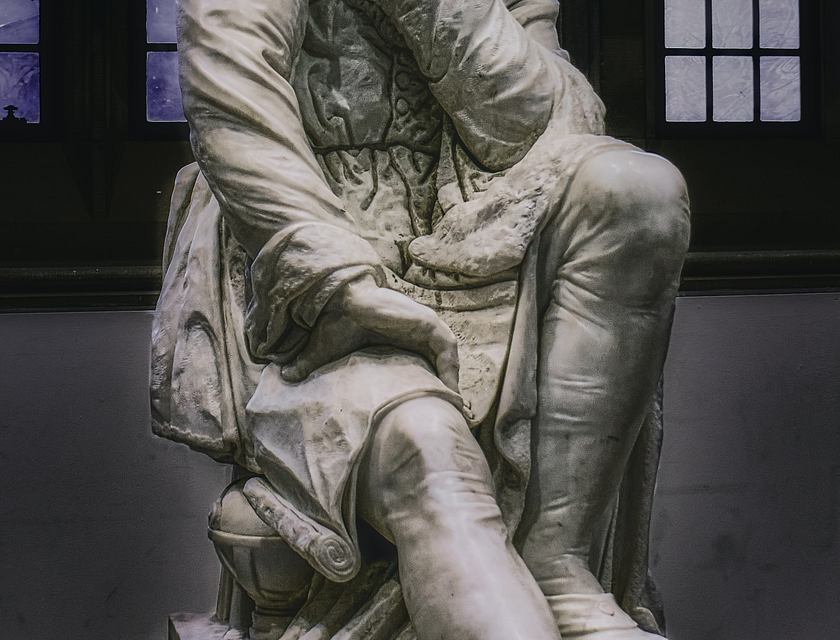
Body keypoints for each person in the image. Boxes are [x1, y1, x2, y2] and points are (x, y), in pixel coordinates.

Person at [150, 0, 690, 638]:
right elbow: (233, 102)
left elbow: (549, 127)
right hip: (310, 259)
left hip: (477, 238)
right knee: (428, 453)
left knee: (634, 187)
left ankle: (559, 563)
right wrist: (337, 281)